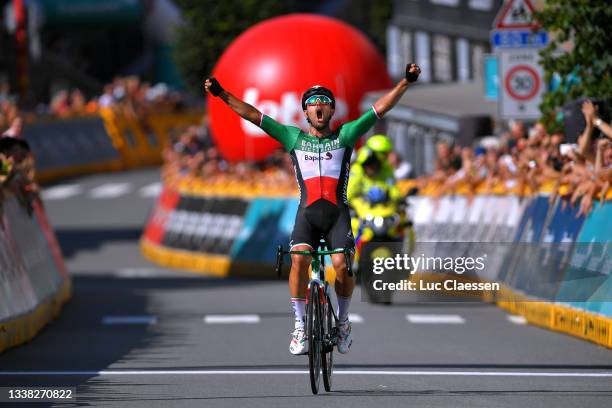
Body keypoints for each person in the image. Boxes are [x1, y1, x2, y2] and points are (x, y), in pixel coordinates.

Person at [204, 63, 421, 355]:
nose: (319, 107)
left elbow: (379, 108)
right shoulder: (293, 137)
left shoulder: (345, 135)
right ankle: (300, 326)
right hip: (307, 213)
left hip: (336, 215)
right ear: (305, 113)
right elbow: (254, 115)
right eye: (312, 104)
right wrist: (221, 94)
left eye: (325, 103)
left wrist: (405, 82)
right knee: (298, 261)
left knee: (343, 267)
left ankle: (343, 323)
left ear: (332, 112)